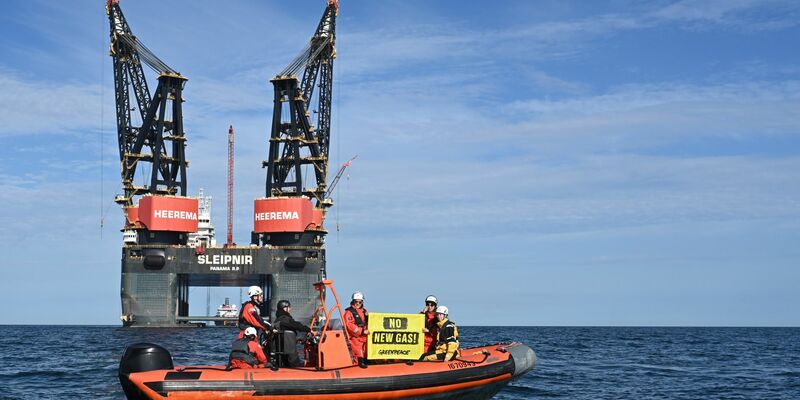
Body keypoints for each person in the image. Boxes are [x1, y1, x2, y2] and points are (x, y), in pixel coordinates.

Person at [273, 299, 311, 367]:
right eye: (289, 307)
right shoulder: (285, 319)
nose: (290, 309)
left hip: (282, 353)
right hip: (289, 354)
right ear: (285, 308)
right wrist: (308, 329)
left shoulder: (278, 320)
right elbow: (296, 325)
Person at [344, 291, 369, 368]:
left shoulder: (364, 311)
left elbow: (366, 322)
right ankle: (359, 363)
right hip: (355, 337)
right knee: (358, 349)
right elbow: (349, 325)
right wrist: (361, 331)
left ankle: (366, 361)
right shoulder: (349, 312)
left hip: (364, 336)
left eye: (360, 302)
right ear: (353, 301)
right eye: (356, 302)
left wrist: (368, 317)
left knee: (366, 349)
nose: (358, 303)